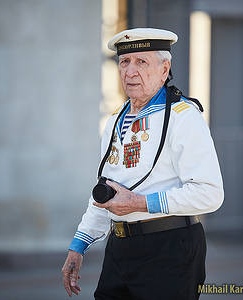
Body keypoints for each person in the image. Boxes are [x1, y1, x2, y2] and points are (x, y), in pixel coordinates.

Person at [62, 28, 224, 300]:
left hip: (170, 247)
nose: (130, 71)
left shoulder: (184, 117)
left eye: (142, 62)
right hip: (119, 248)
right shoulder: (115, 119)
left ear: (164, 69)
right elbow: (106, 190)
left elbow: (210, 194)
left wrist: (140, 203)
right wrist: (78, 246)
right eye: (124, 62)